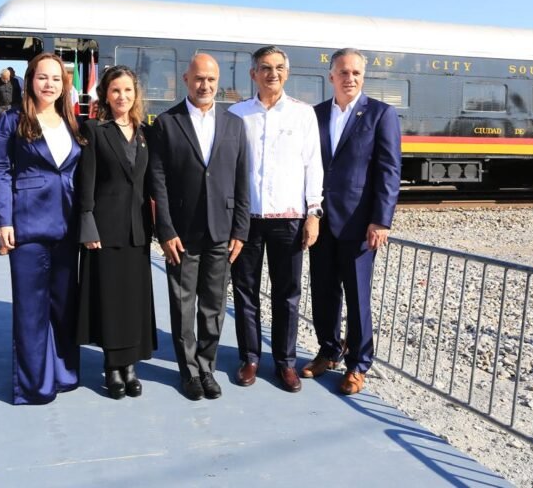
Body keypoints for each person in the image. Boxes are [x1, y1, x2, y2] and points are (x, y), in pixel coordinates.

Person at [148, 53, 250, 401]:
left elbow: (242, 181)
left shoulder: (234, 124)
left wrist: (240, 230)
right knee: (183, 304)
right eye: (199, 79)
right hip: (182, 232)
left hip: (222, 230)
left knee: (214, 305)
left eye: (211, 79)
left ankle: (207, 367)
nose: (205, 85)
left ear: (218, 82)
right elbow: (158, 182)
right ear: (186, 80)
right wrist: (165, 230)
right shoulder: (167, 123)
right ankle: (188, 372)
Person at [304, 48, 401, 395]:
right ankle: (328, 350)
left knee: (357, 297)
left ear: (363, 77)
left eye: (356, 73)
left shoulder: (380, 114)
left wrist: (381, 220)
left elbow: (389, 170)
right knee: (322, 291)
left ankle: (358, 365)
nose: (350, 78)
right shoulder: (314, 115)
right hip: (320, 221)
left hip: (359, 224)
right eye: (343, 72)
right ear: (331, 76)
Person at [0, 52, 86, 405]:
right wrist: (3, 220)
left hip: (67, 224)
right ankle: (35, 385)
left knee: (63, 304)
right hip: (27, 223)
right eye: (43, 77)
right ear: (30, 80)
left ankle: (63, 373)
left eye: (56, 78)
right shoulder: (12, 120)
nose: (49, 84)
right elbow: (0, 170)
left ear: (64, 85)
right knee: (31, 309)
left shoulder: (72, 121)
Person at [228, 46, 324, 393]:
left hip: (289, 219)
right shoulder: (236, 114)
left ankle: (285, 362)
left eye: (279, 67)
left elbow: (313, 165)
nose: (273, 74)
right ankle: (250, 358)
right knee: (245, 292)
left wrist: (313, 213)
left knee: (287, 294)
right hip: (247, 220)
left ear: (287, 72)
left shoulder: (303, 114)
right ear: (253, 73)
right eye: (266, 68)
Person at [76, 65, 156, 399]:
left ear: (136, 94)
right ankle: (112, 366)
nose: (122, 96)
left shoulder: (144, 133)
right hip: (104, 230)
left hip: (137, 230)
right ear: (105, 95)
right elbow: (86, 180)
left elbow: (150, 183)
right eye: (115, 91)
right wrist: (87, 223)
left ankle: (130, 365)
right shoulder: (95, 130)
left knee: (132, 300)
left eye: (127, 90)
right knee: (109, 300)